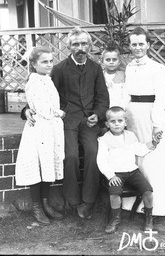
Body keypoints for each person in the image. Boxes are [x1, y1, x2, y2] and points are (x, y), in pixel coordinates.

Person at [21, 27, 110, 220]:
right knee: (70, 156)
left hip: (89, 121)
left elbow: (103, 97)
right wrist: (26, 110)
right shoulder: (59, 69)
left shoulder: (95, 69)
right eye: (76, 44)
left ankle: (88, 201)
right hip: (66, 121)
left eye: (84, 43)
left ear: (89, 46)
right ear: (69, 46)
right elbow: (41, 94)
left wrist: (97, 114)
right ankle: (72, 200)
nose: (80, 47)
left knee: (92, 152)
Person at [122, 26, 165, 216]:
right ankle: (134, 203)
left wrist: (157, 125)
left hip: (151, 116)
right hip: (133, 115)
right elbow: (126, 94)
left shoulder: (158, 68)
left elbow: (160, 99)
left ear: (148, 45)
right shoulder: (129, 67)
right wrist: (122, 115)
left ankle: (159, 205)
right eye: (133, 44)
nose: (137, 48)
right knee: (137, 156)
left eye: (141, 44)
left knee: (154, 156)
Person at [15, 46, 65, 225]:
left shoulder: (47, 79)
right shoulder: (34, 81)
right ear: (34, 64)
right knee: (37, 166)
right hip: (40, 128)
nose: (49, 64)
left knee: (47, 165)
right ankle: (37, 206)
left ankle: (45, 203)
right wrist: (60, 113)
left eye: (51, 61)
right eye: (44, 62)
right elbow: (44, 109)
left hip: (49, 128)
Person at [97, 106, 162, 234]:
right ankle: (115, 218)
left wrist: (154, 143)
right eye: (113, 121)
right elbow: (101, 161)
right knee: (115, 192)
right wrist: (111, 176)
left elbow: (140, 150)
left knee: (147, 190)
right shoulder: (104, 140)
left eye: (120, 121)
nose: (116, 124)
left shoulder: (131, 136)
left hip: (132, 171)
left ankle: (149, 217)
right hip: (116, 174)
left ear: (125, 122)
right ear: (107, 124)